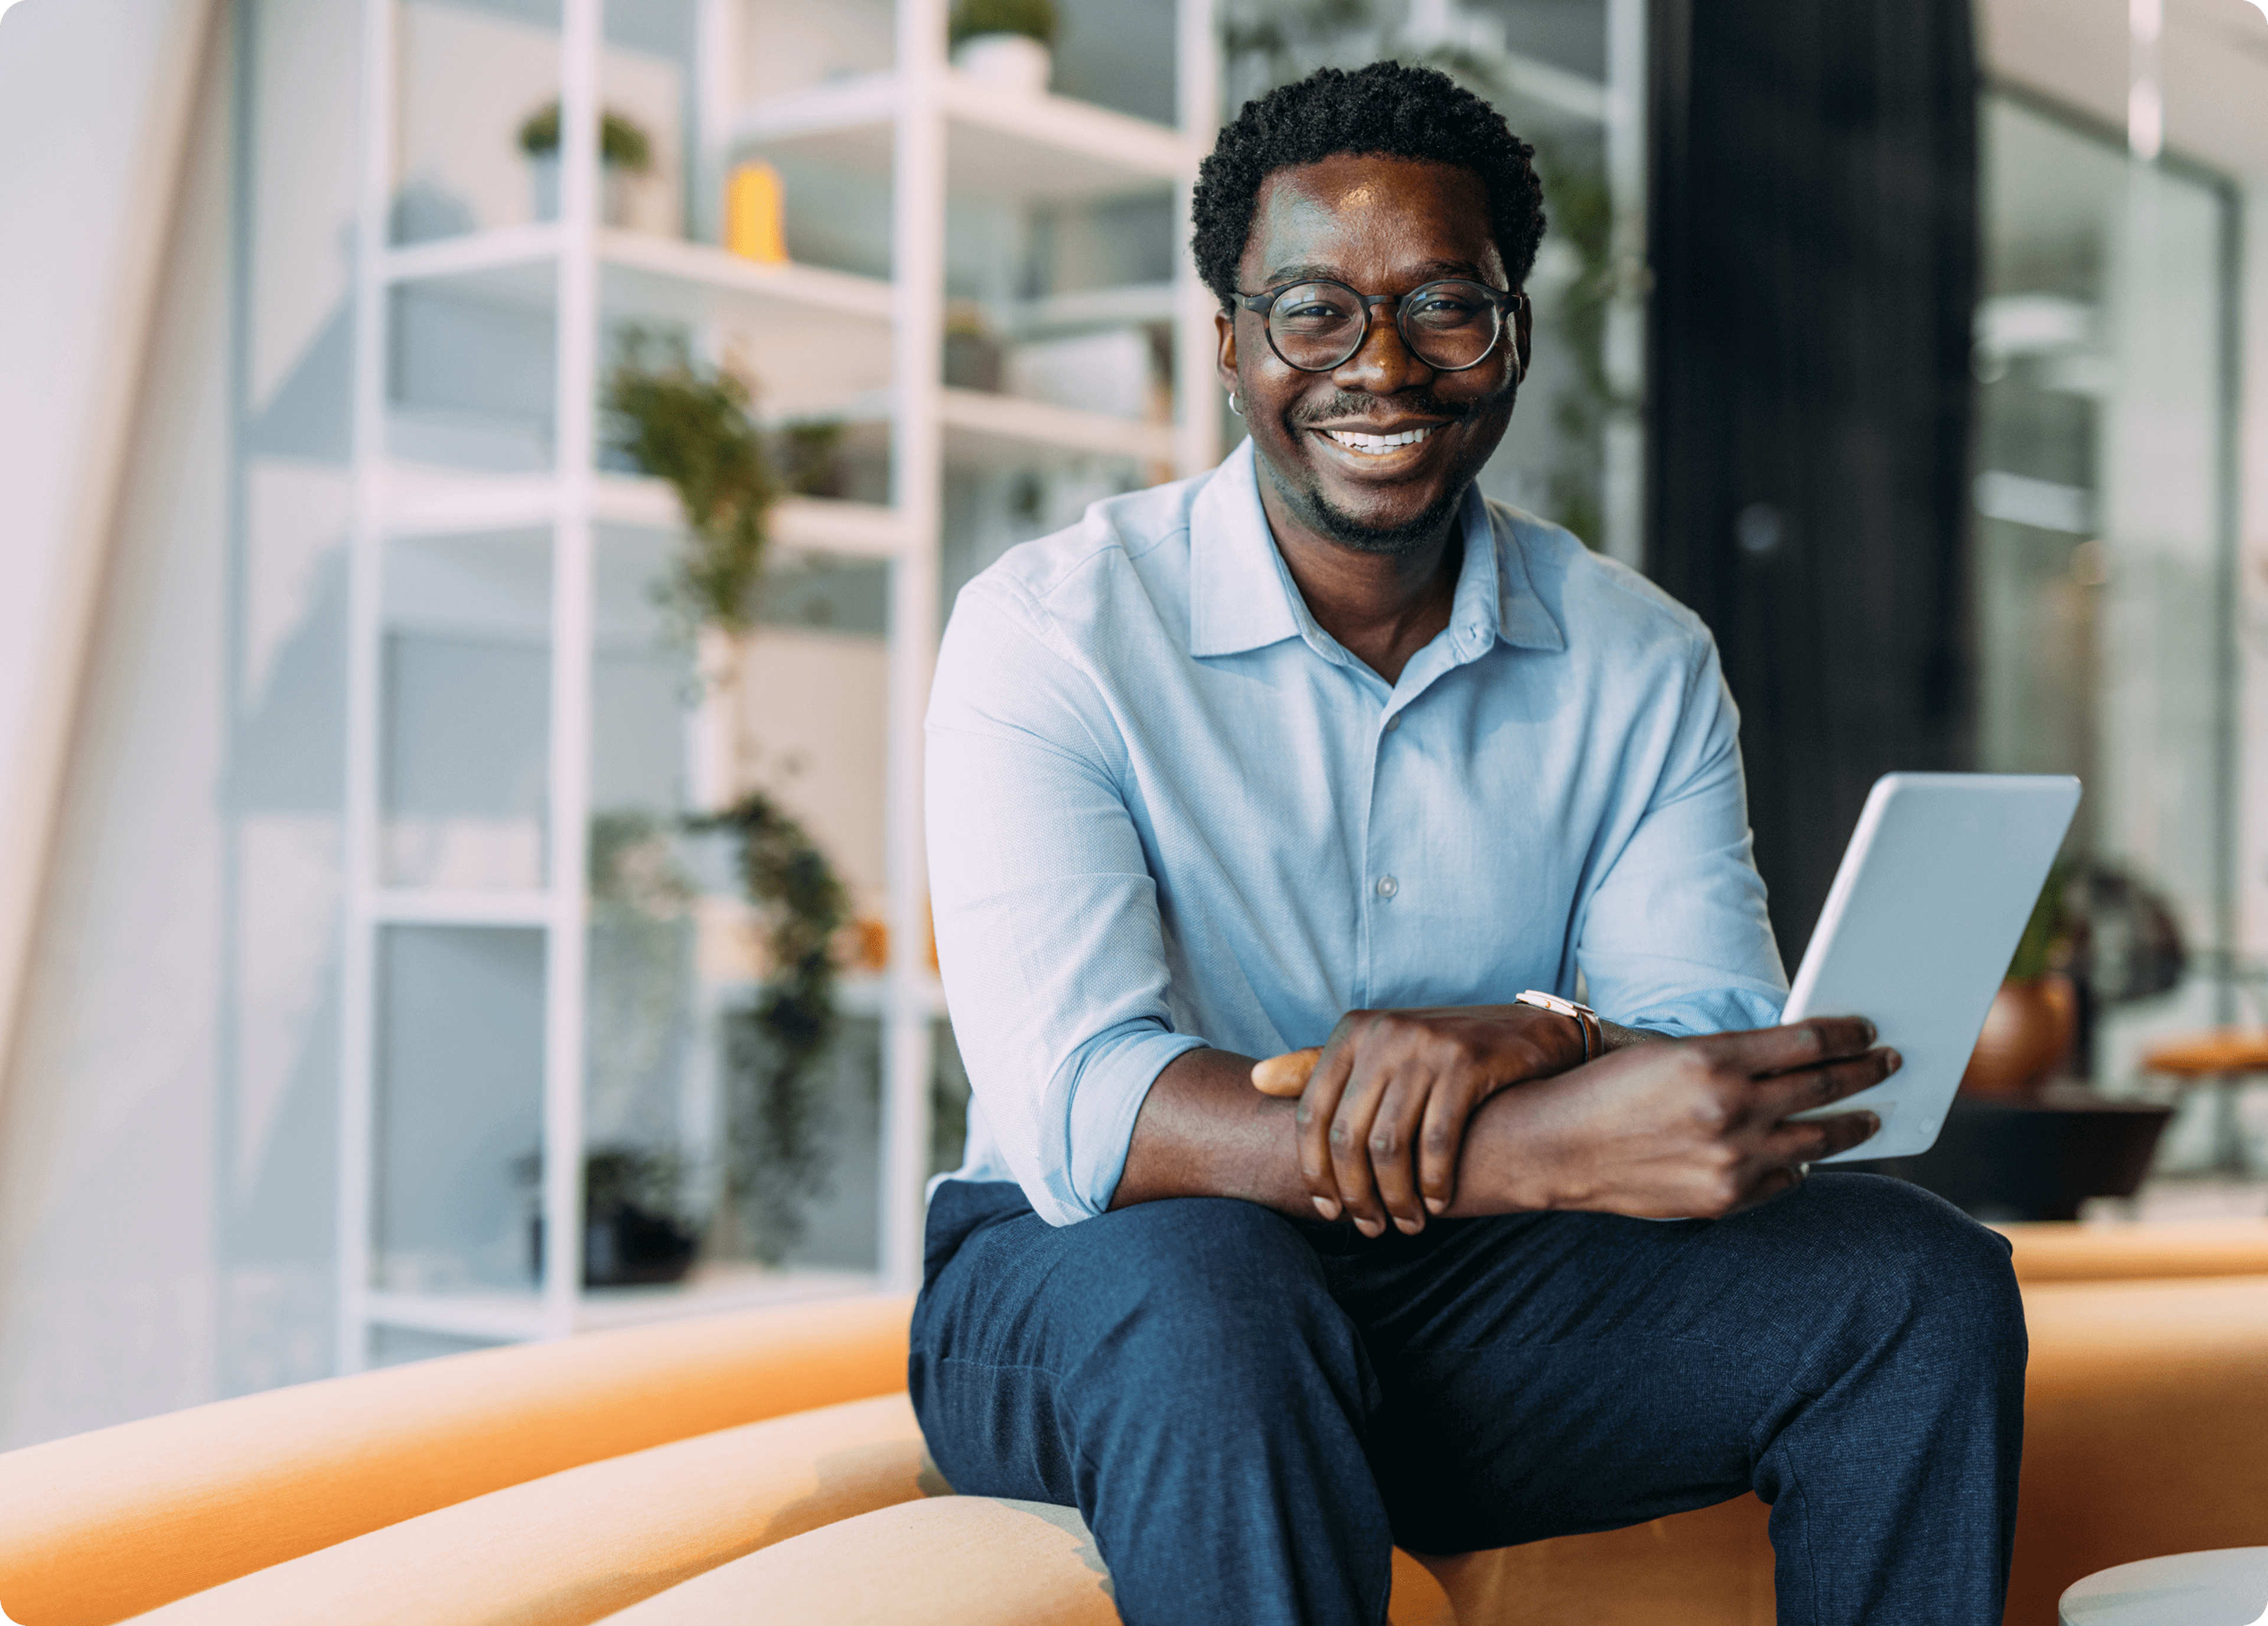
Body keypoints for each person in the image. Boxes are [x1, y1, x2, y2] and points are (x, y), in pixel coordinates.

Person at [914, 61, 2023, 1626]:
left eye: (1445, 306)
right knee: (1221, 1296)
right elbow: (1086, 1109)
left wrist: (1528, 1036)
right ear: (1230, 345)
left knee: (1918, 1287)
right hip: (1093, 1292)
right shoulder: (1055, 634)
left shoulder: (1639, 658)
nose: (1381, 362)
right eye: (1311, 310)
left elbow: (1702, 1045)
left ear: (1512, 340)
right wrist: (1530, 1145)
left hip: (1476, 1299)